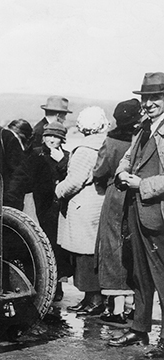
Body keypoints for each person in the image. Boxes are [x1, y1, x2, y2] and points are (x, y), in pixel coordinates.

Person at [109, 72, 164, 358]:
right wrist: (121, 171)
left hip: (158, 213)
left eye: (156, 97)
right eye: (146, 97)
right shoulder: (143, 127)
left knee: (162, 275)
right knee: (140, 274)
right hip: (137, 210)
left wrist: (141, 184)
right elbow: (128, 157)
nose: (149, 103)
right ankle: (139, 328)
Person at [5, 121, 71, 301]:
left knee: (58, 247)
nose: (51, 140)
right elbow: (21, 177)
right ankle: (41, 283)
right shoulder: (34, 154)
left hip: (59, 208)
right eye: (49, 135)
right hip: (39, 204)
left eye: (56, 137)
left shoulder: (66, 156)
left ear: (62, 139)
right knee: (42, 243)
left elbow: (71, 178)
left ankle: (57, 286)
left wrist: (62, 162)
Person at [56, 106, 109, 315]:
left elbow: (74, 181)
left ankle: (93, 299)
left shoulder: (84, 150)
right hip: (98, 202)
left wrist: (58, 190)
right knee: (91, 253)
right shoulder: (103, 145)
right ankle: (91, 298)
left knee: (83, 255)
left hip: (83, 206)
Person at [93, 99, 142, 324]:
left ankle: (116, 309)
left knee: (112, 248)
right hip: (137, 194)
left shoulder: (111, 140)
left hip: (115, 195)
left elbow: (100, 170)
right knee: (132, 248)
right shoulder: (143, 137)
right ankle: (134, 306)